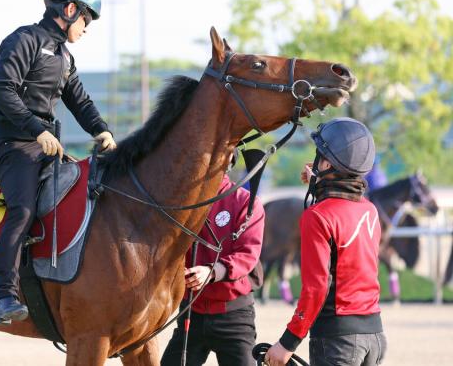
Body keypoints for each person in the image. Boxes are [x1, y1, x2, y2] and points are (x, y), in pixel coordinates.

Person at [0, 0, 116, 325]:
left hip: (48, 147)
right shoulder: (23, 40)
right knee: (23, 211)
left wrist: (101, 130)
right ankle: (5, 295)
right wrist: (35, 129)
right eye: (87, 20)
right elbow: (3, 93)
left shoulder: (65, 57)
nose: (87, 28)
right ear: (71, 9)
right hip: (14, 146)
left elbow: (80, 101)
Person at [265, 118, 386, 366]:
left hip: (337, 340)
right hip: (374, 335)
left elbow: (316, 288)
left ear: (327, 163)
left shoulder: (317, 216)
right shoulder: (369, 210)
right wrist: (319, 180)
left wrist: (287, 343)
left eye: (319, 156)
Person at [161, 151, 265, 366]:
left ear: (228, 160)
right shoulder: (181, 203)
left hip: (234, 316)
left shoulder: (245, 201)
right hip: (192, 312)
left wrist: (211, 271)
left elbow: (247, 255)